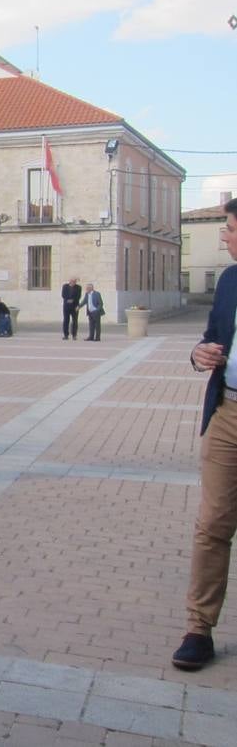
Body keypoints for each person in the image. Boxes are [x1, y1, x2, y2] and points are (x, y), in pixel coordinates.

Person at [174, 196, 237, 672]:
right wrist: (200, 354)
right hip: (228, 413)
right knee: (213, 523)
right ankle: (199, 629)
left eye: (230, 228)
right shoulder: (229, 281)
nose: (224, 235)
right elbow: (211, 336)